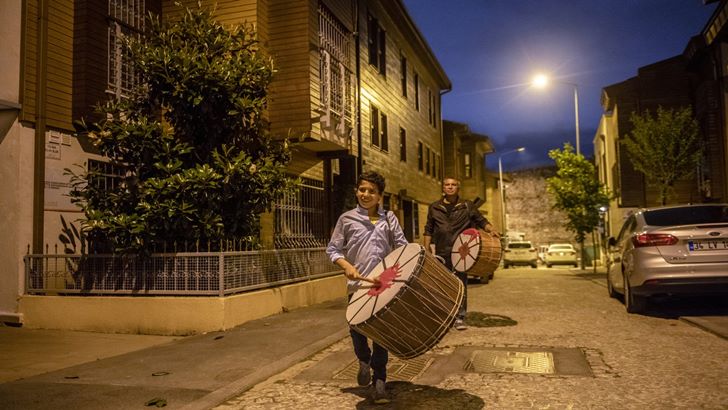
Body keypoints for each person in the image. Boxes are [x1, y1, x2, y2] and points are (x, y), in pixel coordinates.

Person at [326, 171, 408, 405]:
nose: (366, 194)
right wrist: (345, 265)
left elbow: (401, 247)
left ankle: (379, 381)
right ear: (357, 191)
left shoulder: (389, 219)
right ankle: (364, 359)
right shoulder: (346, 219)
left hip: (383, 284)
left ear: (380, 196)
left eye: (371, 191)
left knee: (381, 333)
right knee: (356, 327)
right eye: (362, 189)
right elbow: (333, 249)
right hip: (357, 284)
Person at [423, 177, 495, 331]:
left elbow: (481, 220)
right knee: (443, 285)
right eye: (447, 185)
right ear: (443, 188)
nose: (450, 187)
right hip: (442, 252)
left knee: (460, 284)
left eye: (453, 185)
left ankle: (460, 317)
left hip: (462, 252)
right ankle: (446, 315)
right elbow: (429, 228)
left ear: (458, 188)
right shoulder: (434, 207)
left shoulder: (467, 206)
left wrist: (491, 229)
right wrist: (426, 247)